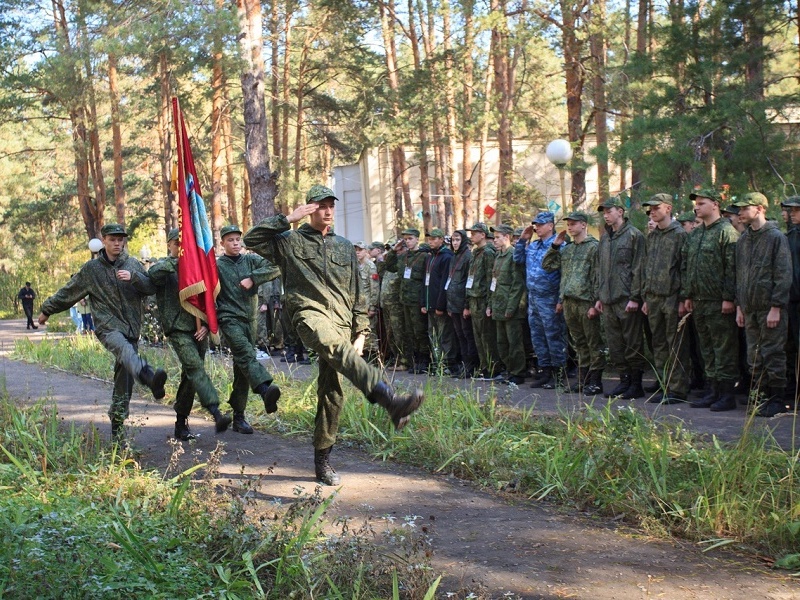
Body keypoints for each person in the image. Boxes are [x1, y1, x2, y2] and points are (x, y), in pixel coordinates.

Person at [243, 184, 424, 486]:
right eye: (320, 205)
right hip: (309, 316)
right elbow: (251, 238)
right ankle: (388, 398)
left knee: (333, 392)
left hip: (342, 322)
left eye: (330, 206)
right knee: (334, 348)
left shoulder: (343, 246)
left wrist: (362, 332)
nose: (326, 211)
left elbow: (357, 292)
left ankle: (322, 460)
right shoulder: (289, 241)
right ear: (310, 208)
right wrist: (289, 217)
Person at [38, 224, 167, 443]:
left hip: (131, 329)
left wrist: (134, 277)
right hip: (108, 327)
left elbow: (150, 288)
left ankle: (117, 427)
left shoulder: (133, 263)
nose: (117, 243)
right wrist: (47, 310)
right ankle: (148, 375)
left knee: (124, 380)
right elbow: (69, 291)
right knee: (124, 350)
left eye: (120, 240)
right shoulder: (92, 270)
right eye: (113, 239)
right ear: (104, 240)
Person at [148, 228, 233, 439]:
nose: (182, 247)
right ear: (169, 244)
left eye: (186, 243)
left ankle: (181, 421)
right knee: (195, 368)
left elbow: (210, 299)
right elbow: (152, 275)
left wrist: (206, 324)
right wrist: (182, 260)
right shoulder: (164, 266)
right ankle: (215, 412)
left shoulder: (199, 268)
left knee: (191, 375)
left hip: (198, 329)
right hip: (178, 328)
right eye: (178, 243)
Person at [216, 224, 282, 434]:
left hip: (250, 320)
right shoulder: (217, 266)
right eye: (230, 240)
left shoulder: (251, 260)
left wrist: (254, 278)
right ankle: (264, 390)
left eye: (238, 239)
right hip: (229, 318)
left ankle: (239, 417)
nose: (235, 243)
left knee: (242, 369)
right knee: (246, 354)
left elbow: (276, 266)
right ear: (222, 243)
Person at [733, 193, 791, 417]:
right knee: (754, 355)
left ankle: (777, 399)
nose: (740, 212)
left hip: (769, 308)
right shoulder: (744, 239)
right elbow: (740, 275)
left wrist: (776, 306)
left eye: (744, 208)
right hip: (750, 308)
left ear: (759, 208)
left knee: (773, 353)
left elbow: (783, 274)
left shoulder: (776, 237)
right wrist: (740, 306)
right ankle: (761, 397)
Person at [682, 189, 740, 411]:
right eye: (695, 204)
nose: (696, 207)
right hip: (699, 300)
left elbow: (732, 268)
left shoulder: (726, 231)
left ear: (715, 205)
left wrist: (728, 298)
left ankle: (727, 395)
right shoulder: (696, 234)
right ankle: (712, 390)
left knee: (724, 347)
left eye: (701, 203)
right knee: (707, 348)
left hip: (718, 301)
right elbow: (688, 266)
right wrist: (688, 294)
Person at [542, 211, 604, 395]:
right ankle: (583, 379)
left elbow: (597, 276)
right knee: (579, 343)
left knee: (593, 342)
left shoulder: (594, 247)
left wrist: (595, 302)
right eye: (568, 224)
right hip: (569, 301)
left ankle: (595, 380)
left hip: (586, 301)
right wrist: (555, 246)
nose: (569, 227)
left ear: (584, 225)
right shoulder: (567, 249)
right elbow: (548, 266)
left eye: (574, 223)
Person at [640, 193, 690, 404]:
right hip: (653, 298)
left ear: (668, 208)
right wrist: (645, 297)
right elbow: (646, 268)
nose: (652, 211)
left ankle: (677, 389)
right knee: (658, 344)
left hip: (672, 297)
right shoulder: (652, 236)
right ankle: (664, 384)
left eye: (656, 208)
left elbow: (685, 268)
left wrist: (683, 298)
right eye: (650, 209)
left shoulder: (679, 235)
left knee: (675, 344)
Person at [595, 197, 647, 399]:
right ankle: (623, 381)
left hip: (626, 299)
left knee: (632, 343)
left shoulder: (634, 236)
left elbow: (638, 268)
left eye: (609, 211)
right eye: (604, 213)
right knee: (615, 344)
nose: (606, 215)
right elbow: (600, 269)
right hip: (608, 300)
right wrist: (599, 296)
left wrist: (635, 297)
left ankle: (636, 383)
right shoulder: (605, 238)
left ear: (620, 211)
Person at [515, 211, 567, 389]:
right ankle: (545, 372)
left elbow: (564, 274)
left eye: (540, 224)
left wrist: (560, 299)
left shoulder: (559, 246)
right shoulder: (534, 245)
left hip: (550, 298)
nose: (536, 227)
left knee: (554, 336)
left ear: (550, 226)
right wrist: (522, 241)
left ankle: (559, 373)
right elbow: (518, 260)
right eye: (535, 224)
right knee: (538, 337)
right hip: (534, 298)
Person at [384, 228, 430, 373]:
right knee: (410, 332)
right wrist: (393, 250)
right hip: (405, 300)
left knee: (420, 331)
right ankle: (414, 361)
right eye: (406, 239)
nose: (408, 241)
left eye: (410, 238)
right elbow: (389, 266)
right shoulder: (403, 257)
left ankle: (424, 361)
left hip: (417, 300)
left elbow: (426, 280)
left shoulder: (424, 256)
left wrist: (424, 301)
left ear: (417, 239)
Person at [488, 224, 527, 385]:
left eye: (497, 237)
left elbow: (517, 284)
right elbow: (494, 283)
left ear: (506, 237)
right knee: (501, 343)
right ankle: (509, 370)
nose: (494, 240)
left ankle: (518, 373)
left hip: (510, 308)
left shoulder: (513, 255)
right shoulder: (498, 256)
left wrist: (511, 308)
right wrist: (490, 304)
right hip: (498, 305)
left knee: (514, 342)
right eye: (494, 237)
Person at [465, 223, 499, 380]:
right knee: (478, 336)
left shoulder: (488, 253)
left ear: (483, 235)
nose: (471, 236)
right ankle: (484, 366)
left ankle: (492, 368)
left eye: (474, 233)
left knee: (487, 336)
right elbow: (470, 278)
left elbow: (490, 279)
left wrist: (489, 304)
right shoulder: (475, 252)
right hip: (473, 298)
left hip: (483, 299)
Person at [421, 228, 455, 372]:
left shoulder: (446, 257)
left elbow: (444, 284)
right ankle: (437, 363)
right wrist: (423, 302)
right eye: (429, 239)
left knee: (444, 335)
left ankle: (447, 363)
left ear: (441, 240)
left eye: (434, 239)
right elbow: (425, 281)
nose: (431, 241)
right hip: (429, 304)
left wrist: (440, 305)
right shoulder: (430, 257)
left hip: (438, 305)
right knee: (433, 335)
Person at [446, 230, 477, 378]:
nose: (455, 243)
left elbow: (468, 283)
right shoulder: (454, 256)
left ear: (463, 240)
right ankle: (464, 365)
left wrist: (466, 305)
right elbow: (450, 281)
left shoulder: (467, 256)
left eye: (457, 240)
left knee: (467, 335)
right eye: (453, 240)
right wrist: (449, 305)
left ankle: (471, 366)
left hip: (463, 304)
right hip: (453, 304)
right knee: (459, 336)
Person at [783, 196, 800, 411]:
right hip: (793, 299)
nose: (792, 213)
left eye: (796, 210)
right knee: (793, 347)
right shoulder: (792, 235)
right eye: (792, 210)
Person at [354, 241, 381, 359]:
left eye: (360, 250)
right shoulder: (355, 265)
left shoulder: (370, 266)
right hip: (357, 305)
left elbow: (374, 288)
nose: (357, 252)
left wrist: (373, 306)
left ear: (366, 251)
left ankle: (373, 357)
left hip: (367, 305)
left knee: (370, 331)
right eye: (356, 250)